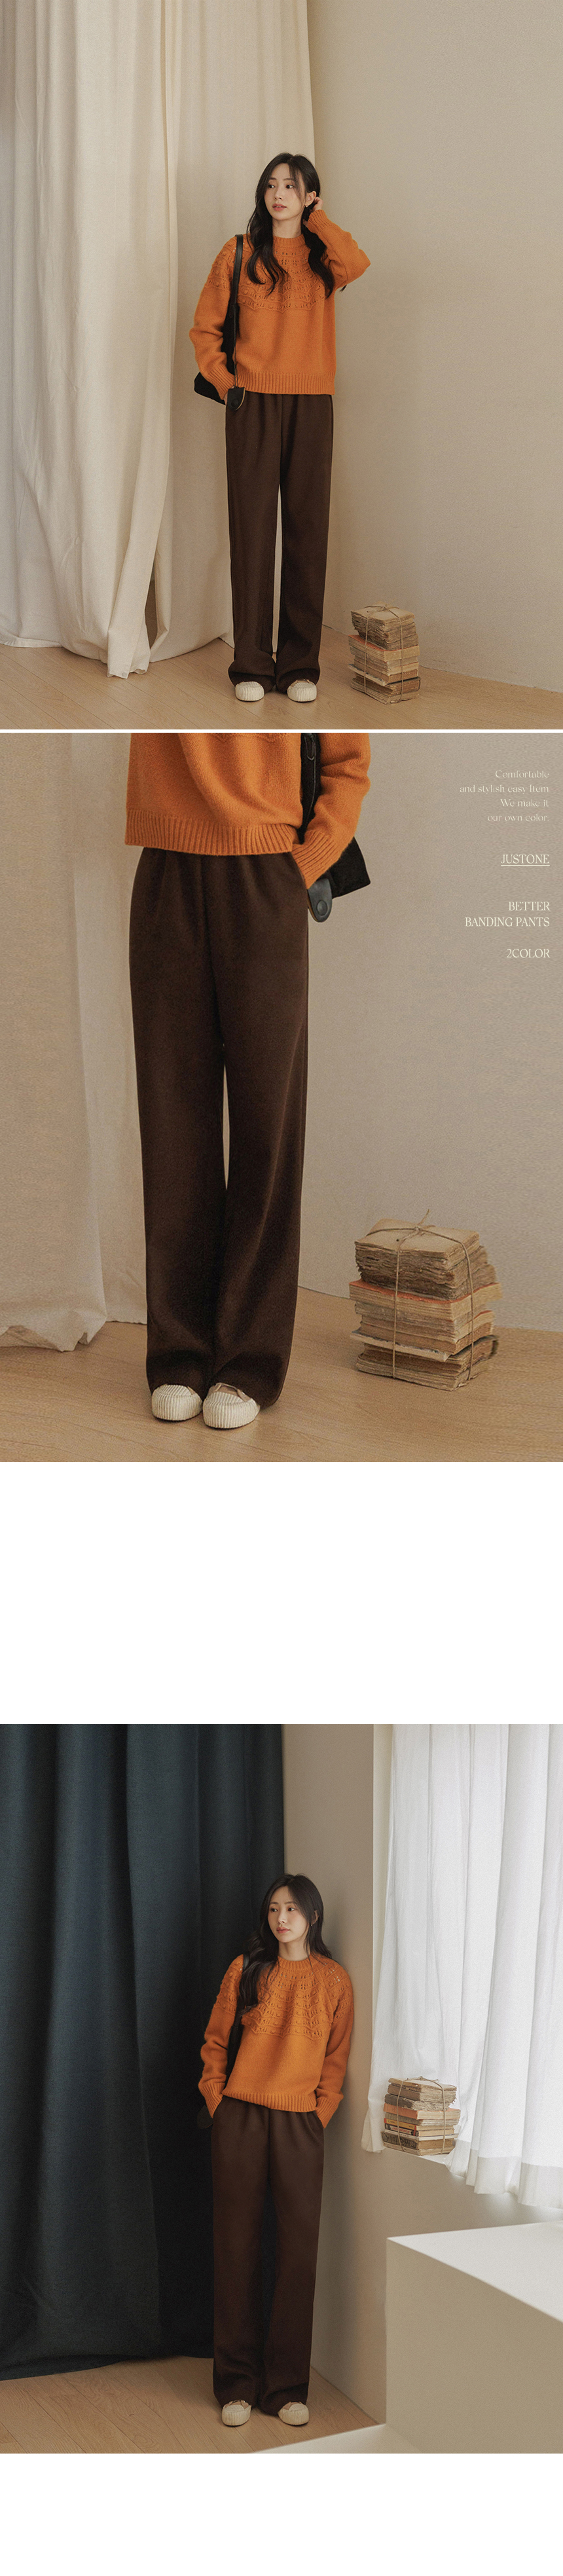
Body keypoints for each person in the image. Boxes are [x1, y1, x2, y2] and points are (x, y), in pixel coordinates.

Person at [126, 729, 370, 1431]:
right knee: (172, 1122)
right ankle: (178, 1353)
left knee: (269, 1123)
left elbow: (348, 757)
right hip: (167, 864)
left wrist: (307, 860)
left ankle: (249, 1360)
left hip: (267, 869)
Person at [190, 155, 369, 704]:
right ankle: (250, 664)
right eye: (271, 184)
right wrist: (227, 385)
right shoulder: (239, 252)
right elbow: (204, 329)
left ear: (309, 195)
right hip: (252, 403)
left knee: (308, 533)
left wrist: (318, 220)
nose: (278, 193)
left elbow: (358, 263)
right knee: (252, 534)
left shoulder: (324, 257)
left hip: (313, 403)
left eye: (291, 186)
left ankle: (299, 667)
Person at [200, 1875, 354, 2429]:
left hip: (300, 2124)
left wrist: (320, 2113)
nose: (281, 1918)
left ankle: (286, 2389)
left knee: (297, 2256)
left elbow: (336, 2059)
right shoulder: (246, 1970)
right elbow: (215, 2041)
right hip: (240, 2117)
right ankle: (237, 2386)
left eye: (291, 1908)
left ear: (313, 1915)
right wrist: (218, 2100)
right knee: (235, 2249)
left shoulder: (334, 1980)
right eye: (273, 1909)